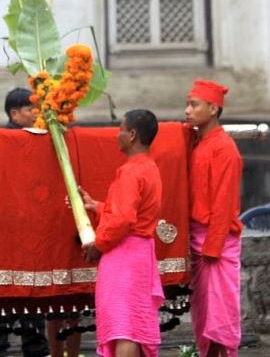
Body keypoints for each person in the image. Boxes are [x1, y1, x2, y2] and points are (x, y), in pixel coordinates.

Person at [81, 109, 164, 357]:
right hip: (140, 254)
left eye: (120, 129)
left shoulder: (130, 171)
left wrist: (99, 244)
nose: (117, 135)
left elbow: (124, 218)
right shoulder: (149, 167)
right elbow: (131, 212)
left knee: (123, 328)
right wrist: (98, 207)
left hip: (124, 256)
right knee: (133, 326)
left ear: (132, 134)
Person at [0, 88, 50, 357]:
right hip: (15, 240)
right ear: (14, 113)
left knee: (3, 323)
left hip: (11, 240)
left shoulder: (31, 138)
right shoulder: (7, 141)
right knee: (22, 323)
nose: (36, 113)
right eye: (31, 108)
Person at [185, 79, 242, 357]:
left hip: (215, 243)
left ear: (213, 108)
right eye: (188, 104)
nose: (187, 110)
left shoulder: (225, 148)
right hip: (199, 237)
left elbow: (224, 202)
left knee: (219, 315)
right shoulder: (198, 141)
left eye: (194, 105)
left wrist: (213, 246)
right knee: (204, 312)